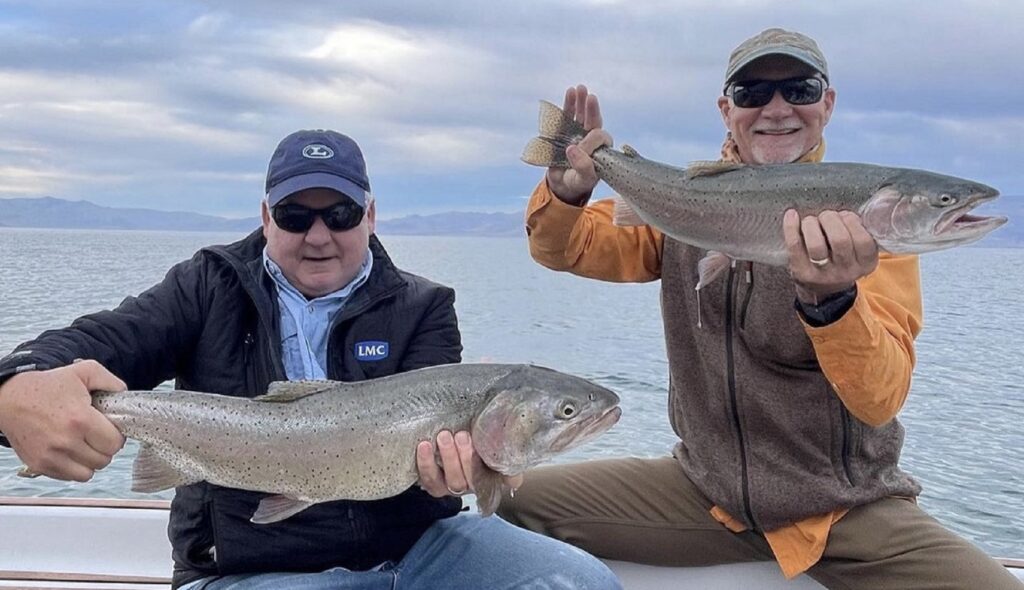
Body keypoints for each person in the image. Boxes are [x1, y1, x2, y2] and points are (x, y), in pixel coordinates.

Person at [497, 28, 1022, 589]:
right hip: (703, 493)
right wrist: (569, 189)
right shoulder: (683, 203)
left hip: (842, 510)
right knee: (508, 503)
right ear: (727, 110)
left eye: (798, 89)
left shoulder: (878, 246)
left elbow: (879, 399)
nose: (777, 109)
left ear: (828, 103)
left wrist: (833, 299)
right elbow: (566, 249)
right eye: (752, 94)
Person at [0, 129, 621, 590]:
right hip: (249, 569)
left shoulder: (426, 306)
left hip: (413, 554)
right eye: (296, 215)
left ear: (371, 215)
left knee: (581, 583)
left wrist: (469, 473)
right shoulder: (206, 286)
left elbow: (455, 483)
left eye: (341, 214)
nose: (318, 235)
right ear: (267, 216)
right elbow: (99, 341)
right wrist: (19, 385)